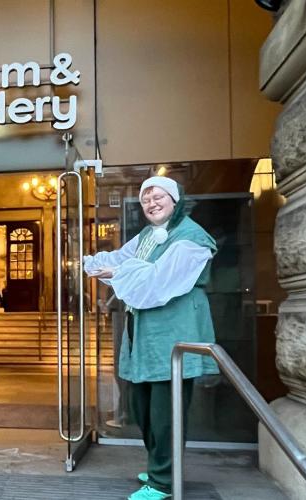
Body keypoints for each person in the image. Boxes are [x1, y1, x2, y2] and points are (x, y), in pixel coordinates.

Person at [83, 176, 218, 500]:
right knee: (140, 405)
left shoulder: (191, 237)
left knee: (166, 411)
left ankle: (162, 481)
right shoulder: (147, 235)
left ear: (174, 200)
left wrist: (118, 273)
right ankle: (161, 465)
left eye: (158, 197)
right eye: (146, 199)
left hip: (174, 332)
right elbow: (122, 258)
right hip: (145, 335)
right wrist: (94, 263)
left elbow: (161, 279)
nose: (151, 203)